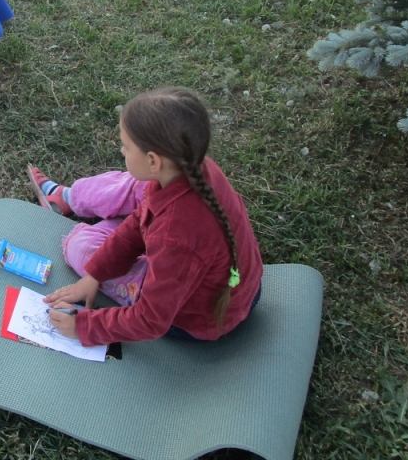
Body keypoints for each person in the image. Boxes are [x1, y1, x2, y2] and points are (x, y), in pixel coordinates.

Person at [26, 87, 264, 344]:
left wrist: (83, 327)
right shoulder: (195, 169)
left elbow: (150, 320)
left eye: (126, 147)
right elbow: (141, 218)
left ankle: (76, 202)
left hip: (196, 317)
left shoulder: (174, 237)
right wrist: (95, 275)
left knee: (79, 246)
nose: (122, 151)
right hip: (233, 282)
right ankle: (70, 198)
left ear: (153, 161)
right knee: (136, 187)